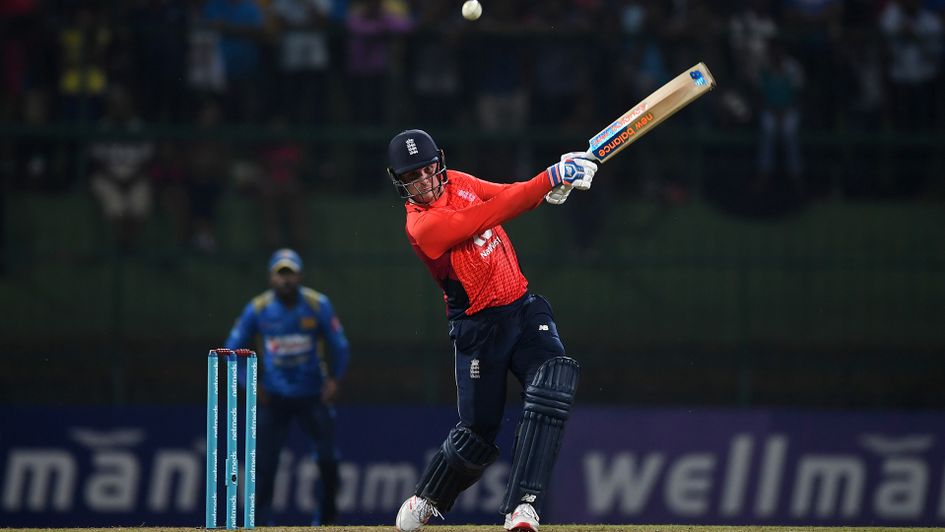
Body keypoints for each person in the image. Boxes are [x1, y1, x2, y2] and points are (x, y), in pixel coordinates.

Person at [386, 130, 598, 532]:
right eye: (415, 177)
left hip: (521, 307)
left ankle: (522, 506)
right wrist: (551, 176)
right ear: (400, 182)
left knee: (554, 380)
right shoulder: (422, 226)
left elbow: (509, 193)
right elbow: (489, 214)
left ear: (440, 162)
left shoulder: (460, 182)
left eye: (431, 169)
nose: (428, 182)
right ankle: (429, 497)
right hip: (478, 330)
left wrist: (556, 185)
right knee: (477, 436)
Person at [224, 248, 350, 525]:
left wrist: (335, 379)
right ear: (271, 278)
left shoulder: (317, 305)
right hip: (274, 398)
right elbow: (232, 351)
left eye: (290, 274)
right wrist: (251, 385)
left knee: (327, 461)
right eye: (280, 275)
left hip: (312, 395)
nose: (286, 281)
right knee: (264, 465)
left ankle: (327, 522)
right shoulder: (258, 309)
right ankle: (259, 522)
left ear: (300, 276)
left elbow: (340, 345)